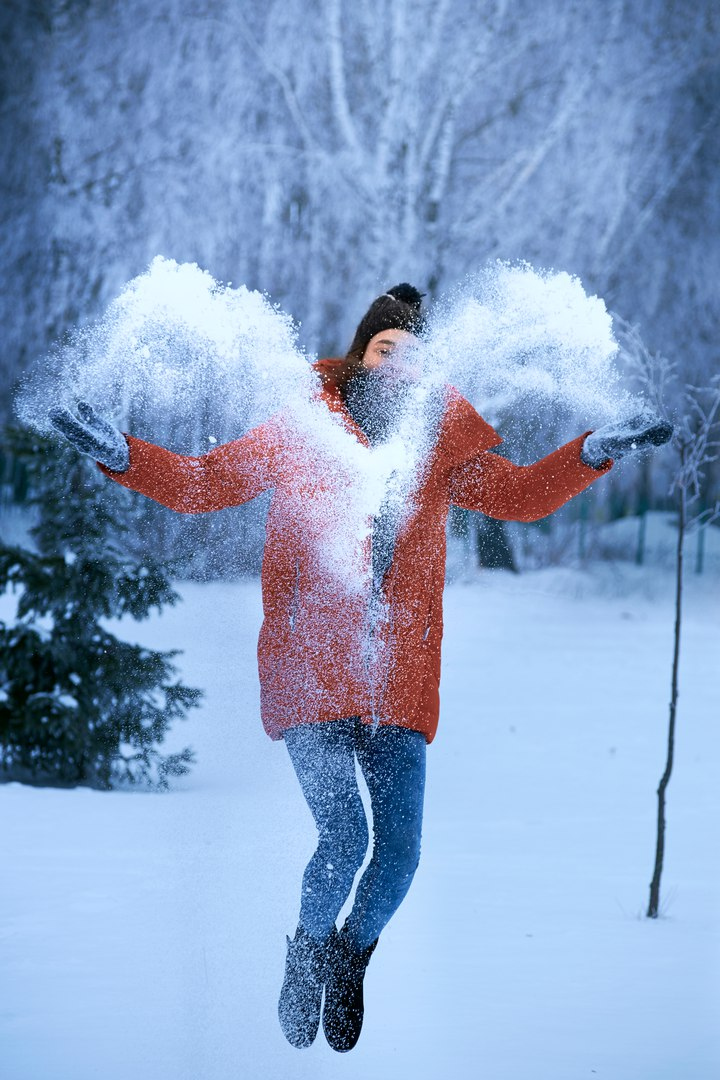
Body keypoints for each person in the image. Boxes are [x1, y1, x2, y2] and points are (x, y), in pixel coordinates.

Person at [49, 283, 672, 1053]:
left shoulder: (441, 445)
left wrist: (594, 448)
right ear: (360, 352)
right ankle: (306, 956)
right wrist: (123, 455)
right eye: (386, 347)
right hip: (312, 673)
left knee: (400, 854)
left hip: (399, 684)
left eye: (415, 354)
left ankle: (350, 956)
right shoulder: (301, 427)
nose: (398, 361)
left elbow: (517, 496)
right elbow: (207, 483)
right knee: (342, 838)